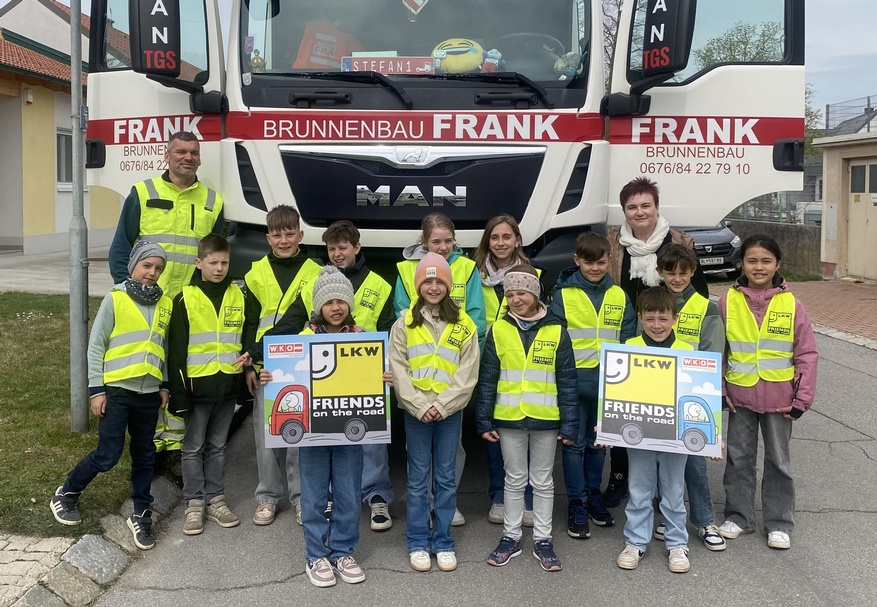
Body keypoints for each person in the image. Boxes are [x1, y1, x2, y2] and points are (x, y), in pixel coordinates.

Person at [266, 220, 396, 531]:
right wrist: (262, 355)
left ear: (357, 248)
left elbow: (392, 330)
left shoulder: (380, 285)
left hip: (365, 375)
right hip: (319, 375)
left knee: (370, 437)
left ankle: (376, 495)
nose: (337, 254)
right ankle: (325, 497)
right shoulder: (314, 282)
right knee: (323, 437)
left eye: (343, 247)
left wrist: (390, 365)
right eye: (332, 248)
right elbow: (289, 325)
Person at [108, 131, 225, 466]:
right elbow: (121, 248)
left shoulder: (212, 201)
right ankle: (148, 442)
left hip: (188, 304)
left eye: (193, 152)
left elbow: (214, 255)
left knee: (178, 372)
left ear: (199, 158)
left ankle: (172, 447)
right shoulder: (144, 192)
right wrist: (127, 292)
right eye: (180, 151)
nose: (187, 157)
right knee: (148, 371)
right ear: (167, 155)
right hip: (147, 301)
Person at [50, 242, 172, 551]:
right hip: (116, 391)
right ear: (133, 266)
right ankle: (66, 493)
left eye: (158, 268)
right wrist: (96, 390)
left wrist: (165, 385)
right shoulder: (115, 300)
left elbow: (164, 349)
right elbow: (96, 346)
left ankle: (141, 512)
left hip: (148, 394)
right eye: (147, 266)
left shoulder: (165, 304)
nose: (152, 273)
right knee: (108, 455)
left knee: (145, 455)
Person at [259, 266, 376, 587]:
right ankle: (316, 555)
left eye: (341, 300)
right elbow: (283, 370)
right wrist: (271, 376)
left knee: (348, 493)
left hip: (350, 434)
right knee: (312, 495)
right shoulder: (301, 340)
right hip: (311, 434)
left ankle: (342, 550)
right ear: (318, 306)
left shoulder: (363, 339)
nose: (335, 307)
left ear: (350, 304)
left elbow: (375, 379)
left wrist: (384, 379)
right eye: (328, 302)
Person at [603, 176, 709, 508]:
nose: (639, 212)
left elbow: (699, 292)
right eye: (632, 207)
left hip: (669, 333)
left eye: (645, 205)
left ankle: (670, 496)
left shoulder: (678, 241)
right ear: (624, 211)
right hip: (630, 333)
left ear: (656, 207)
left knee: (669, 416)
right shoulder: (613, 242)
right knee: (629, 411)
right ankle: (622, 482)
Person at [716, 234, 818, 550]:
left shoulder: (792, 305)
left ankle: (779, 523)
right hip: (740, 397)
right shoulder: (726, 302)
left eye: (765, 261)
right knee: (738, 459)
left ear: (777, 264)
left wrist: (803, 399)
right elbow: (718, 351)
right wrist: (719, 389)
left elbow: (806, 354)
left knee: (778, 462)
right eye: (752, 260)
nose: (758, 267)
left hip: (780, 401)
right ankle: (739, 517)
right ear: (742, 264)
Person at [475, 265, 578, 572]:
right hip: (508, 418)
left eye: (521, 292)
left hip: (547, 419)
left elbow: (568, 382)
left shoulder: (557, 330)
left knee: (543, 481)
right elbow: (488, 378)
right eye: (510, 294)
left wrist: (570, 423)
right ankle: (511, 536)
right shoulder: (499, 329)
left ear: (535, 294)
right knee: (514, 479)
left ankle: (543, 539)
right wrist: (484, 420)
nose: (516, 299)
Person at [389, 253, 479, 573]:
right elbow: (398, 369)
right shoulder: (404, 323)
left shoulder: (464, 324)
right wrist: (420, 405)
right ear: (418, 286)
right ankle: (417, 540)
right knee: (417, 479)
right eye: (426, 281)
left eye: (439, 280)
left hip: (448, 412)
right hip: (416, 412)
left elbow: (467, 374)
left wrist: (441, 405)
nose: (433, 286)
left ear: (448, 285)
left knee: (445, 477)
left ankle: (442, 540)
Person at [395, 212, 486, 526]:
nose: (443, 246)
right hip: (417, 394)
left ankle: (446, 502)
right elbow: (401, 319)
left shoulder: (467, 268)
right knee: (417, 461)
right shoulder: (406, 270)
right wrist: (419, 401)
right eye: (436, 241)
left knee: (451, 452)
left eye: (449, 241)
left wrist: (465, 374)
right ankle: (423, 509)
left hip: (451, 385)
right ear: (424, 241)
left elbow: (476, 318)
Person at [239, 205, 322, 526]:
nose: (284, 240)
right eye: (277, 234)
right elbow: (248, 322)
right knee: (266, 434)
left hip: (301, 363)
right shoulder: (255, 272)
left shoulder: (315, 272)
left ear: (300, 235)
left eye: (290, 233)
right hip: (264, 367)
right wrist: (250, 361)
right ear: (267, 238)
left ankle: (303, 497)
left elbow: (298, 318)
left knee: (300, 433)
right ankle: (267, 496)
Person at [549, 233, 635, 539]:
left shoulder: (619, 296)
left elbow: (627, 341)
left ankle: (592, 493)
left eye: (601, 262)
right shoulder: (562, 295)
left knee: (599, 446)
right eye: (588, 262)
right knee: (573, 446)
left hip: (607, 386)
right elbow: (555, 341)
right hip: (572, 385)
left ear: (609, 260)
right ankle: (576, 503)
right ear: (576, 261)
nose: (595, 268)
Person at [651, 243, 726, 551]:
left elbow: (713, 356)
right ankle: (666, 517)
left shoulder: (706, 307)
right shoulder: (653, 303)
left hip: (692, 397)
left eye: (683, 272)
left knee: (694, 461)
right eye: (671, 272)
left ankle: (705, 519)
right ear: (660, 273)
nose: (677, 278)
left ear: (693, 272)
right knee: (660, 460)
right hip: (657, 394)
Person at [167, 234, 244, 536]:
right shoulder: (185, 298)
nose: (219, 268)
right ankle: (194, 504)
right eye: (213, 262)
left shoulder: (239, 296)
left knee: (218, 447)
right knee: (193, 447)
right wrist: (180, 392)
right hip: (196, 389)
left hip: (226, 386)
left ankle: (216, 500)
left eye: (224, 262)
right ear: (199, 263)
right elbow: (176, 351)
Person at [616, 287, 695, 574]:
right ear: (640, 318)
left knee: (673, 492)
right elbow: (616, 394)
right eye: (650, 319)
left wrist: (713, 437)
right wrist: (607, 423)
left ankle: (676, 544)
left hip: (675, 437)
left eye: (663, 319)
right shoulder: (628, 347)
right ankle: (635, 541)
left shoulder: (688, 352)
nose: (657, 325)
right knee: (639, 489)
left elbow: (699, 398)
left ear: (675, 318)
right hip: (639, 434)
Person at [473, 214, 541, 525]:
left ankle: (527, 499)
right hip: (487, 359)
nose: (501, 243)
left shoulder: (535, 273)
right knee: (495, 431)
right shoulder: (473, 274)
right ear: (487, 242)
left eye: (507, 237)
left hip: (522, 361)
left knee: (524, 429)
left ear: (517, 241)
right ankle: (499, 496)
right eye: (495, 238)